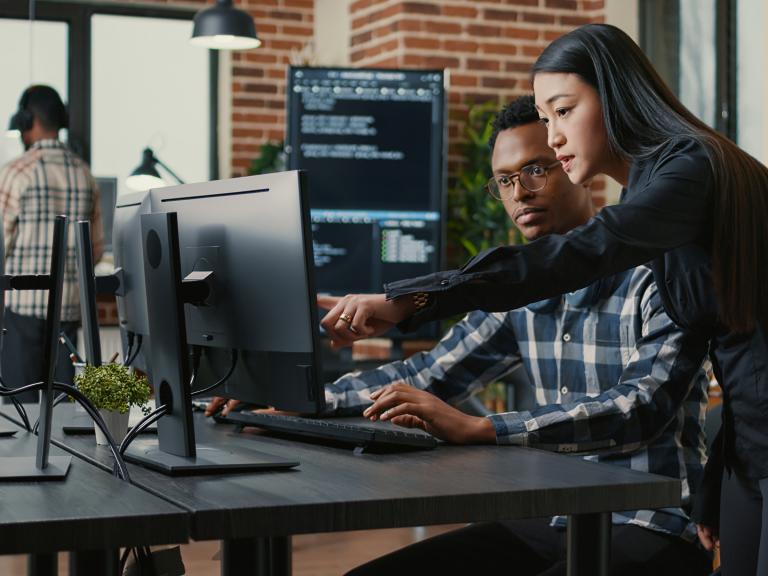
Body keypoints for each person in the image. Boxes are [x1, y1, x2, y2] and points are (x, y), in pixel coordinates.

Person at [320, 24, 768, 576]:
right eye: (546, 115)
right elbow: (739, 345)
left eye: (562, 110)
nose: (554, 136)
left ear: (616, 93)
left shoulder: (689, 170)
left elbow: (588, 254)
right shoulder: (664, 189)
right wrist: (719, 485)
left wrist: (412, 300)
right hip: (748, 454)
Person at [209, 95, 707, 575]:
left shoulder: (658, 273)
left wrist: (483, 427)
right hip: (557, 516)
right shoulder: (520, 291)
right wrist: (295, 400)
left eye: (535, 170)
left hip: (653, 521)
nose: (519, 192)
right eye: (505, 180)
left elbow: (640, 407)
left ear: (573, 165)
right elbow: (427, 374)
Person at [0, 85, 103, 401]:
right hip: (67, 315)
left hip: (23, 316)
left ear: (26, 121)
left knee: (21, 422)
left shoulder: (17, 172)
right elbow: (95, 251)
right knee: (64, 417)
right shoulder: (84, 174)